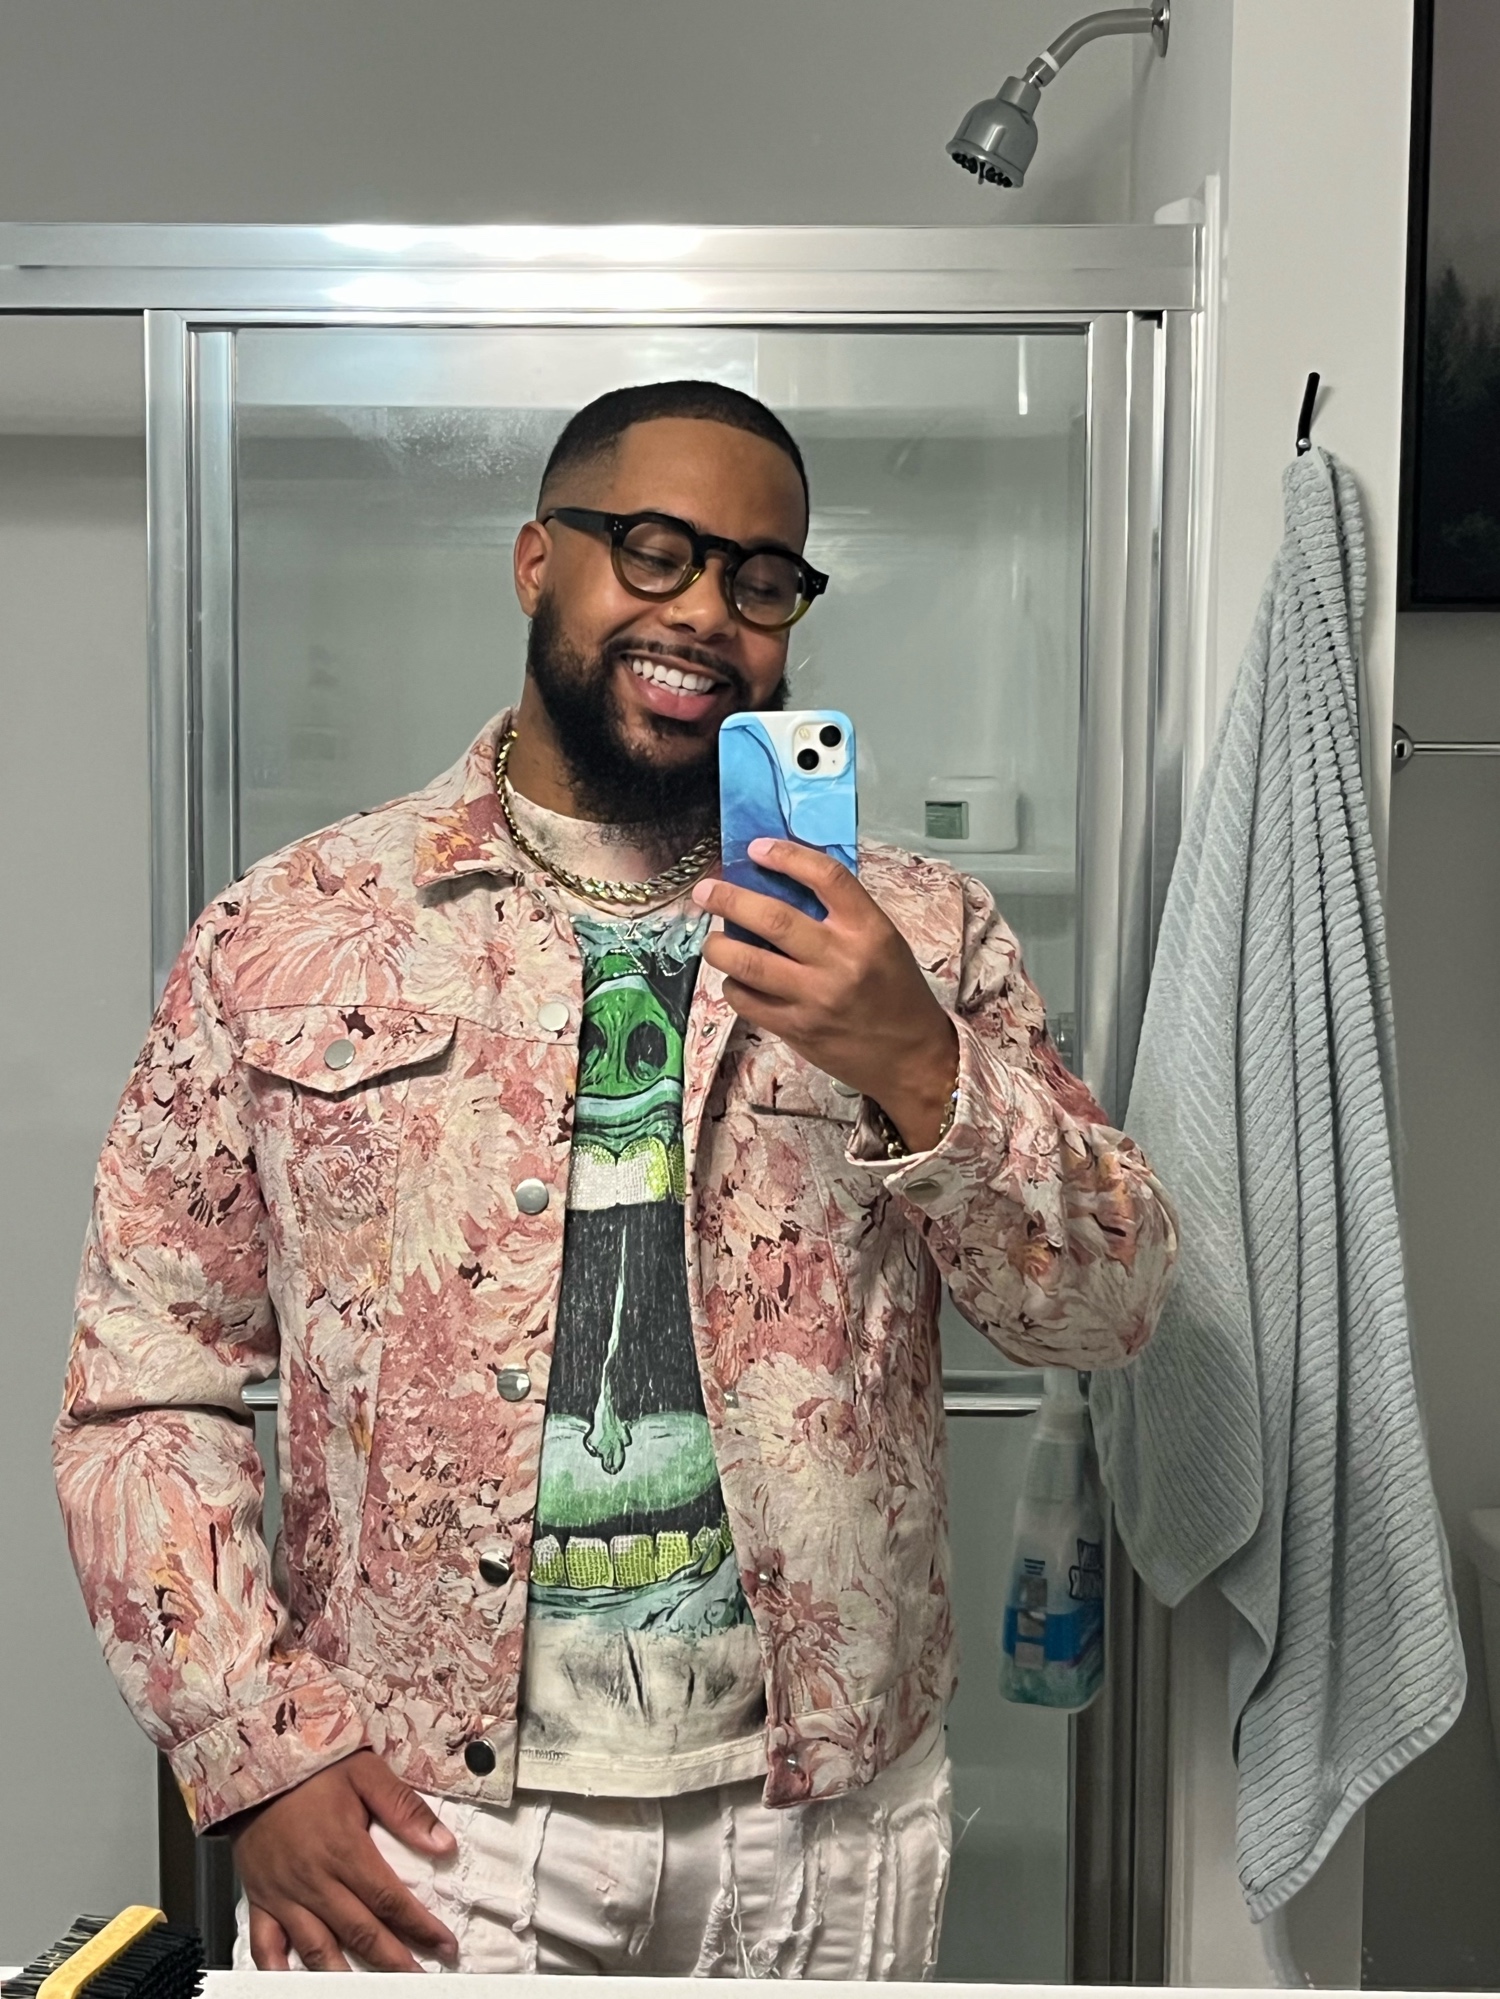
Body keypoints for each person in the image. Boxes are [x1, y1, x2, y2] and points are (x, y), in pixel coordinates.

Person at [55, 380, 1176, 1979]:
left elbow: (1109, 1308)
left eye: (761, 579)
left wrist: (919, 1061)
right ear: (538, 562)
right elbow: (143, 1381)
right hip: (425, 1820)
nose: (707, 611)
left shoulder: (921, 938)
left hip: (828, 1823)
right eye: (655, 551)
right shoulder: (292, 928)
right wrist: (255, 1753)